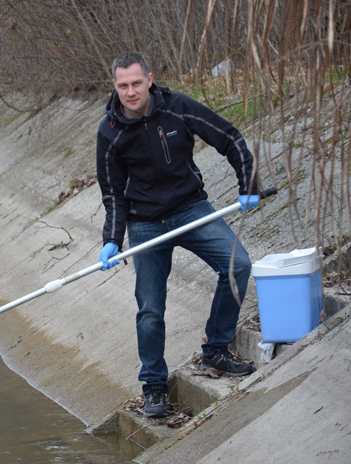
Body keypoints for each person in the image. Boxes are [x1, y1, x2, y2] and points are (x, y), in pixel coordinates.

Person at [96, 52, 259, 419]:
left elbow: (229, 137)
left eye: (137, 83)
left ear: (149, 79)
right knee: (151, 309)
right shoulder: (109, 132)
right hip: (145, 224)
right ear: (115, 87)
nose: (131, 91)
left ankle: (215, 349)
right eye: (123, 85)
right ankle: (154, 386)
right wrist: (112, 239)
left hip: (190, 208)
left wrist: (248, 182)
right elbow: (112, 195)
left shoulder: (178, 107)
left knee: (238, 264)